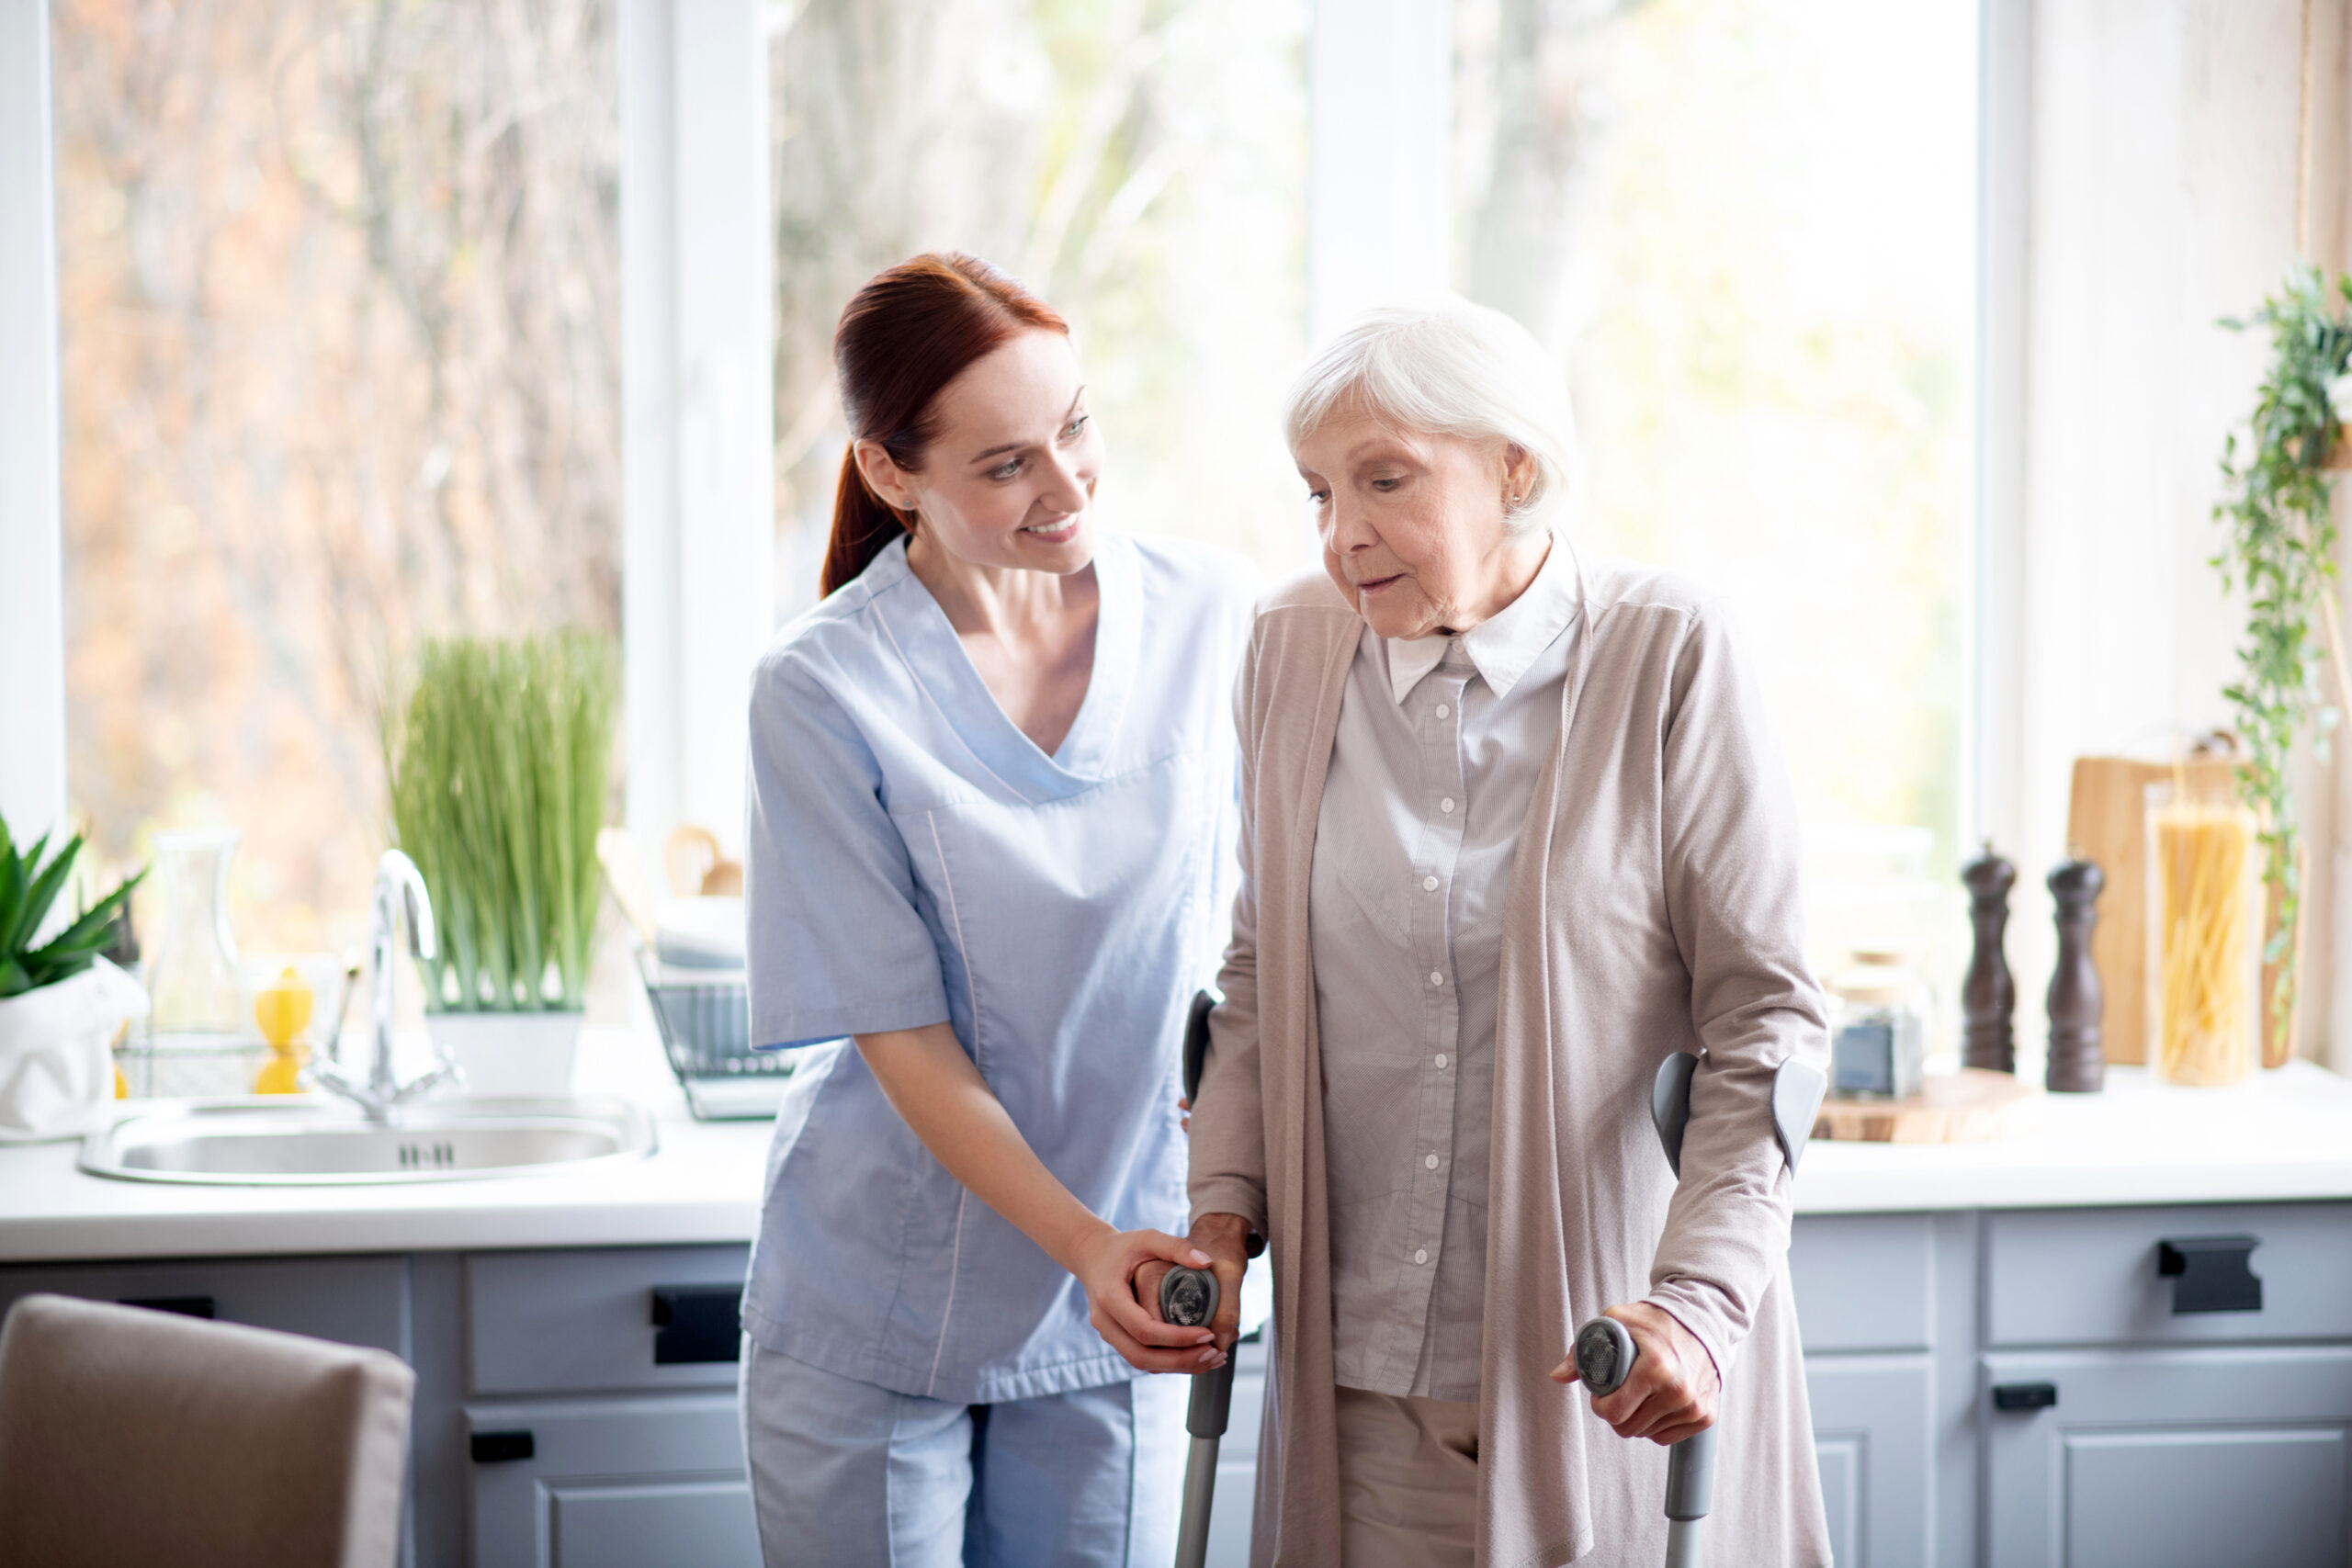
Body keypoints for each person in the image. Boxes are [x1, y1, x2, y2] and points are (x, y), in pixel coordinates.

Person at [1163, 299, 1833, 1567]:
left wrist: (1697, 1310)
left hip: (1604, 1383)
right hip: (1358, 1395)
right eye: (1317, 493)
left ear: (1517, 468)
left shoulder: (1667, 653)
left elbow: (1767, 1022)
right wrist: (1222, 1216)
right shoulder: (1291, 650)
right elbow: (1257, 979)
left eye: (1386, 481)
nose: (1341, 535)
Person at [739, 253, 1255, 1567]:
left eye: (1076, 426)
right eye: (1006, 463)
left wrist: (1212, 1217)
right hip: (878, 1302)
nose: (1068, 486)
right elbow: (899, 1035)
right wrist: (1086, 1244)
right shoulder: (822, 689)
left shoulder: (1215, 617)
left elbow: (1271, 949)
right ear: (890, 471)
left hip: (1120, 1301)